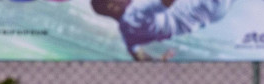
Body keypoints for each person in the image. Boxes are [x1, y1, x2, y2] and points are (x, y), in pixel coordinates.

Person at [92, 0, 234, 58]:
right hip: (204, 5)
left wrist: (154, 61)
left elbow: (135, 51)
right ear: (112, 6)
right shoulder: (135, 12)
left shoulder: (126, 32)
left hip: (212, 14)